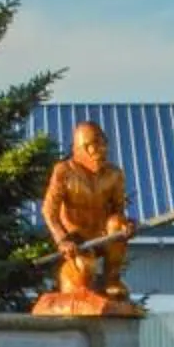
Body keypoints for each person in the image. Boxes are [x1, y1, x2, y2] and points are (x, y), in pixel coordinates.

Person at [44, 120, 133, 301]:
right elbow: (49, 211)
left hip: (102, 235)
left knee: (117, 223)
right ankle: (75, 280)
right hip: (76, 239)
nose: (100, 151)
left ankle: (112, 279)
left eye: (103, 145)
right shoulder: (64, 172)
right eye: (93, 146)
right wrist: (62, 240)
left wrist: (127, 226)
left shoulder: (114, 174)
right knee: (83, 273)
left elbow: (118, 210)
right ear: (80, 147)